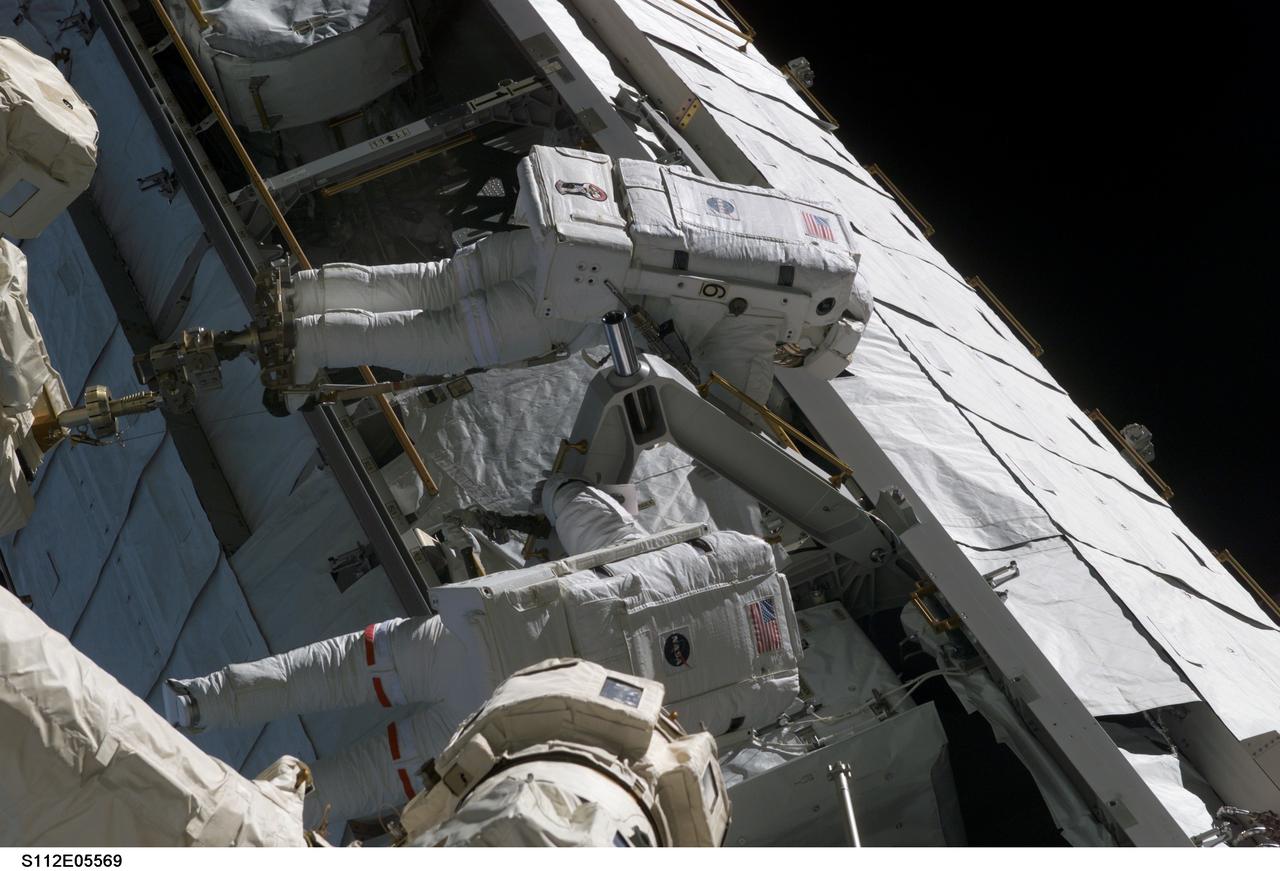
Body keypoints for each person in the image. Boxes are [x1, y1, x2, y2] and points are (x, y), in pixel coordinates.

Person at [164, 480, 801, 828]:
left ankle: (201, 700)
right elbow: (679, 752)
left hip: (479, 637)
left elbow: (604, 529)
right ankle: (239, 829)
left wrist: (561, 489)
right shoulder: (774, 688)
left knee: (329, 671)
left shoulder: (734, 555)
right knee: (347, 786)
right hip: (510, 720)